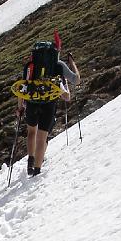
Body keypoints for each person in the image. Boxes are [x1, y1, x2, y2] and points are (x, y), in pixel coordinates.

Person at [17, 48, 80, 176]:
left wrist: (20, 108)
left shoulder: (30, 65)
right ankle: (37, 170)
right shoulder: (59, 65)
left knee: (31, 133)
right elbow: (76, 80)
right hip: (49, 104)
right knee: (42, 138)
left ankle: (30, 160)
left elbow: (22, 87)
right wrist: (72, 63)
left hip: (32, 102)